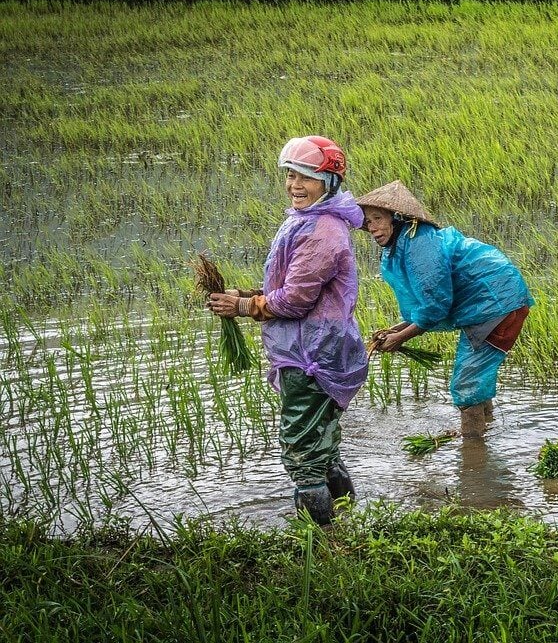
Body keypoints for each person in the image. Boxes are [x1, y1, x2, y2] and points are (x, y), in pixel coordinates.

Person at [206, 136, 368, 525]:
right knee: (323, 447)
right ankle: (348, 525)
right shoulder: (310, 220)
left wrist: (244, 306)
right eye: (291, 175)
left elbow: (295, 300)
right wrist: (243, 294)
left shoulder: (322, 231)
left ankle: (320, 542)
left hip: (312, 355)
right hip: (319, 349)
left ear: (328, 182)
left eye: (306, 177)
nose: (295, 184)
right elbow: (290, 288)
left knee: (302, 453)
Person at [356, 180, 532, 438]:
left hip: (495, 303)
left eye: (378, 218)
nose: (372, 227)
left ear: (397, 218)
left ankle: (472, 455)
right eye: (367, 221)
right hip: (488, 303)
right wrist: (395, 330)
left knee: (467, 382)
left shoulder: (419, 243)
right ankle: (486, 430)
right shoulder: (402, 244)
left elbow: (436, 304)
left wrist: (400, 338)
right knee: (476, 375)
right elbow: (427, 304)